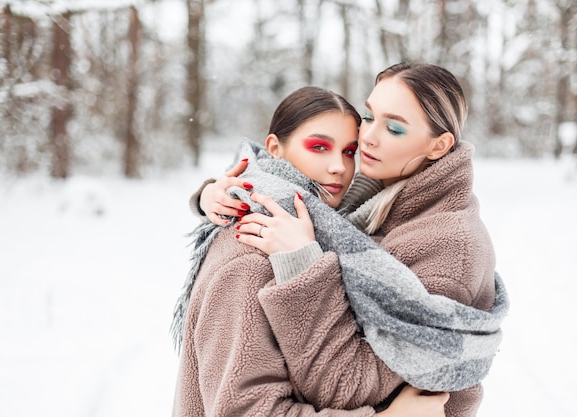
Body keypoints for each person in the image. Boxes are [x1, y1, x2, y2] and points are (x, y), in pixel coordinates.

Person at [195, 63, 509, 417]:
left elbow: (348, 386)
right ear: (274, 148)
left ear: (439, 146)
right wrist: (211, 194)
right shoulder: (268, 244)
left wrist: (302, 265)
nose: (367, 140)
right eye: (369, 118)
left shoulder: (448, 246)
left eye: (393, 127)